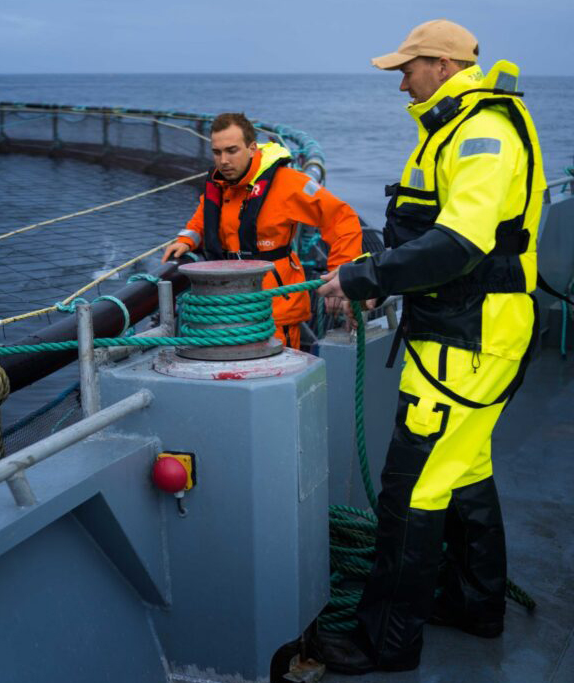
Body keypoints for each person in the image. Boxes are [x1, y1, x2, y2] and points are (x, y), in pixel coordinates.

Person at [314, 19, 547, 675]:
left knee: (410, 487)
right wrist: (382, 275)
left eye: (407, 69)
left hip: (468, 343)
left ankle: (385, 641)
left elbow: (458, 244)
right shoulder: (455, 126)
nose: (400, 83)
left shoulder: (479, 132)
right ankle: (477, 605)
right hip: (468, 336)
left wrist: (368, 277)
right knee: (464, 472)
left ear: (443, 64)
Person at [161, 113, 361, 348]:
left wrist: (341, 271)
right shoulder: (220, 186)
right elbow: (203, 218)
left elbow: (342, 218)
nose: (223, 160)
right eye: (217, 152)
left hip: (275, 310)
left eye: (232, 150)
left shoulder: (289, 183)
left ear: (252, 148)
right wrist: (186, 239)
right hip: (226, 307)